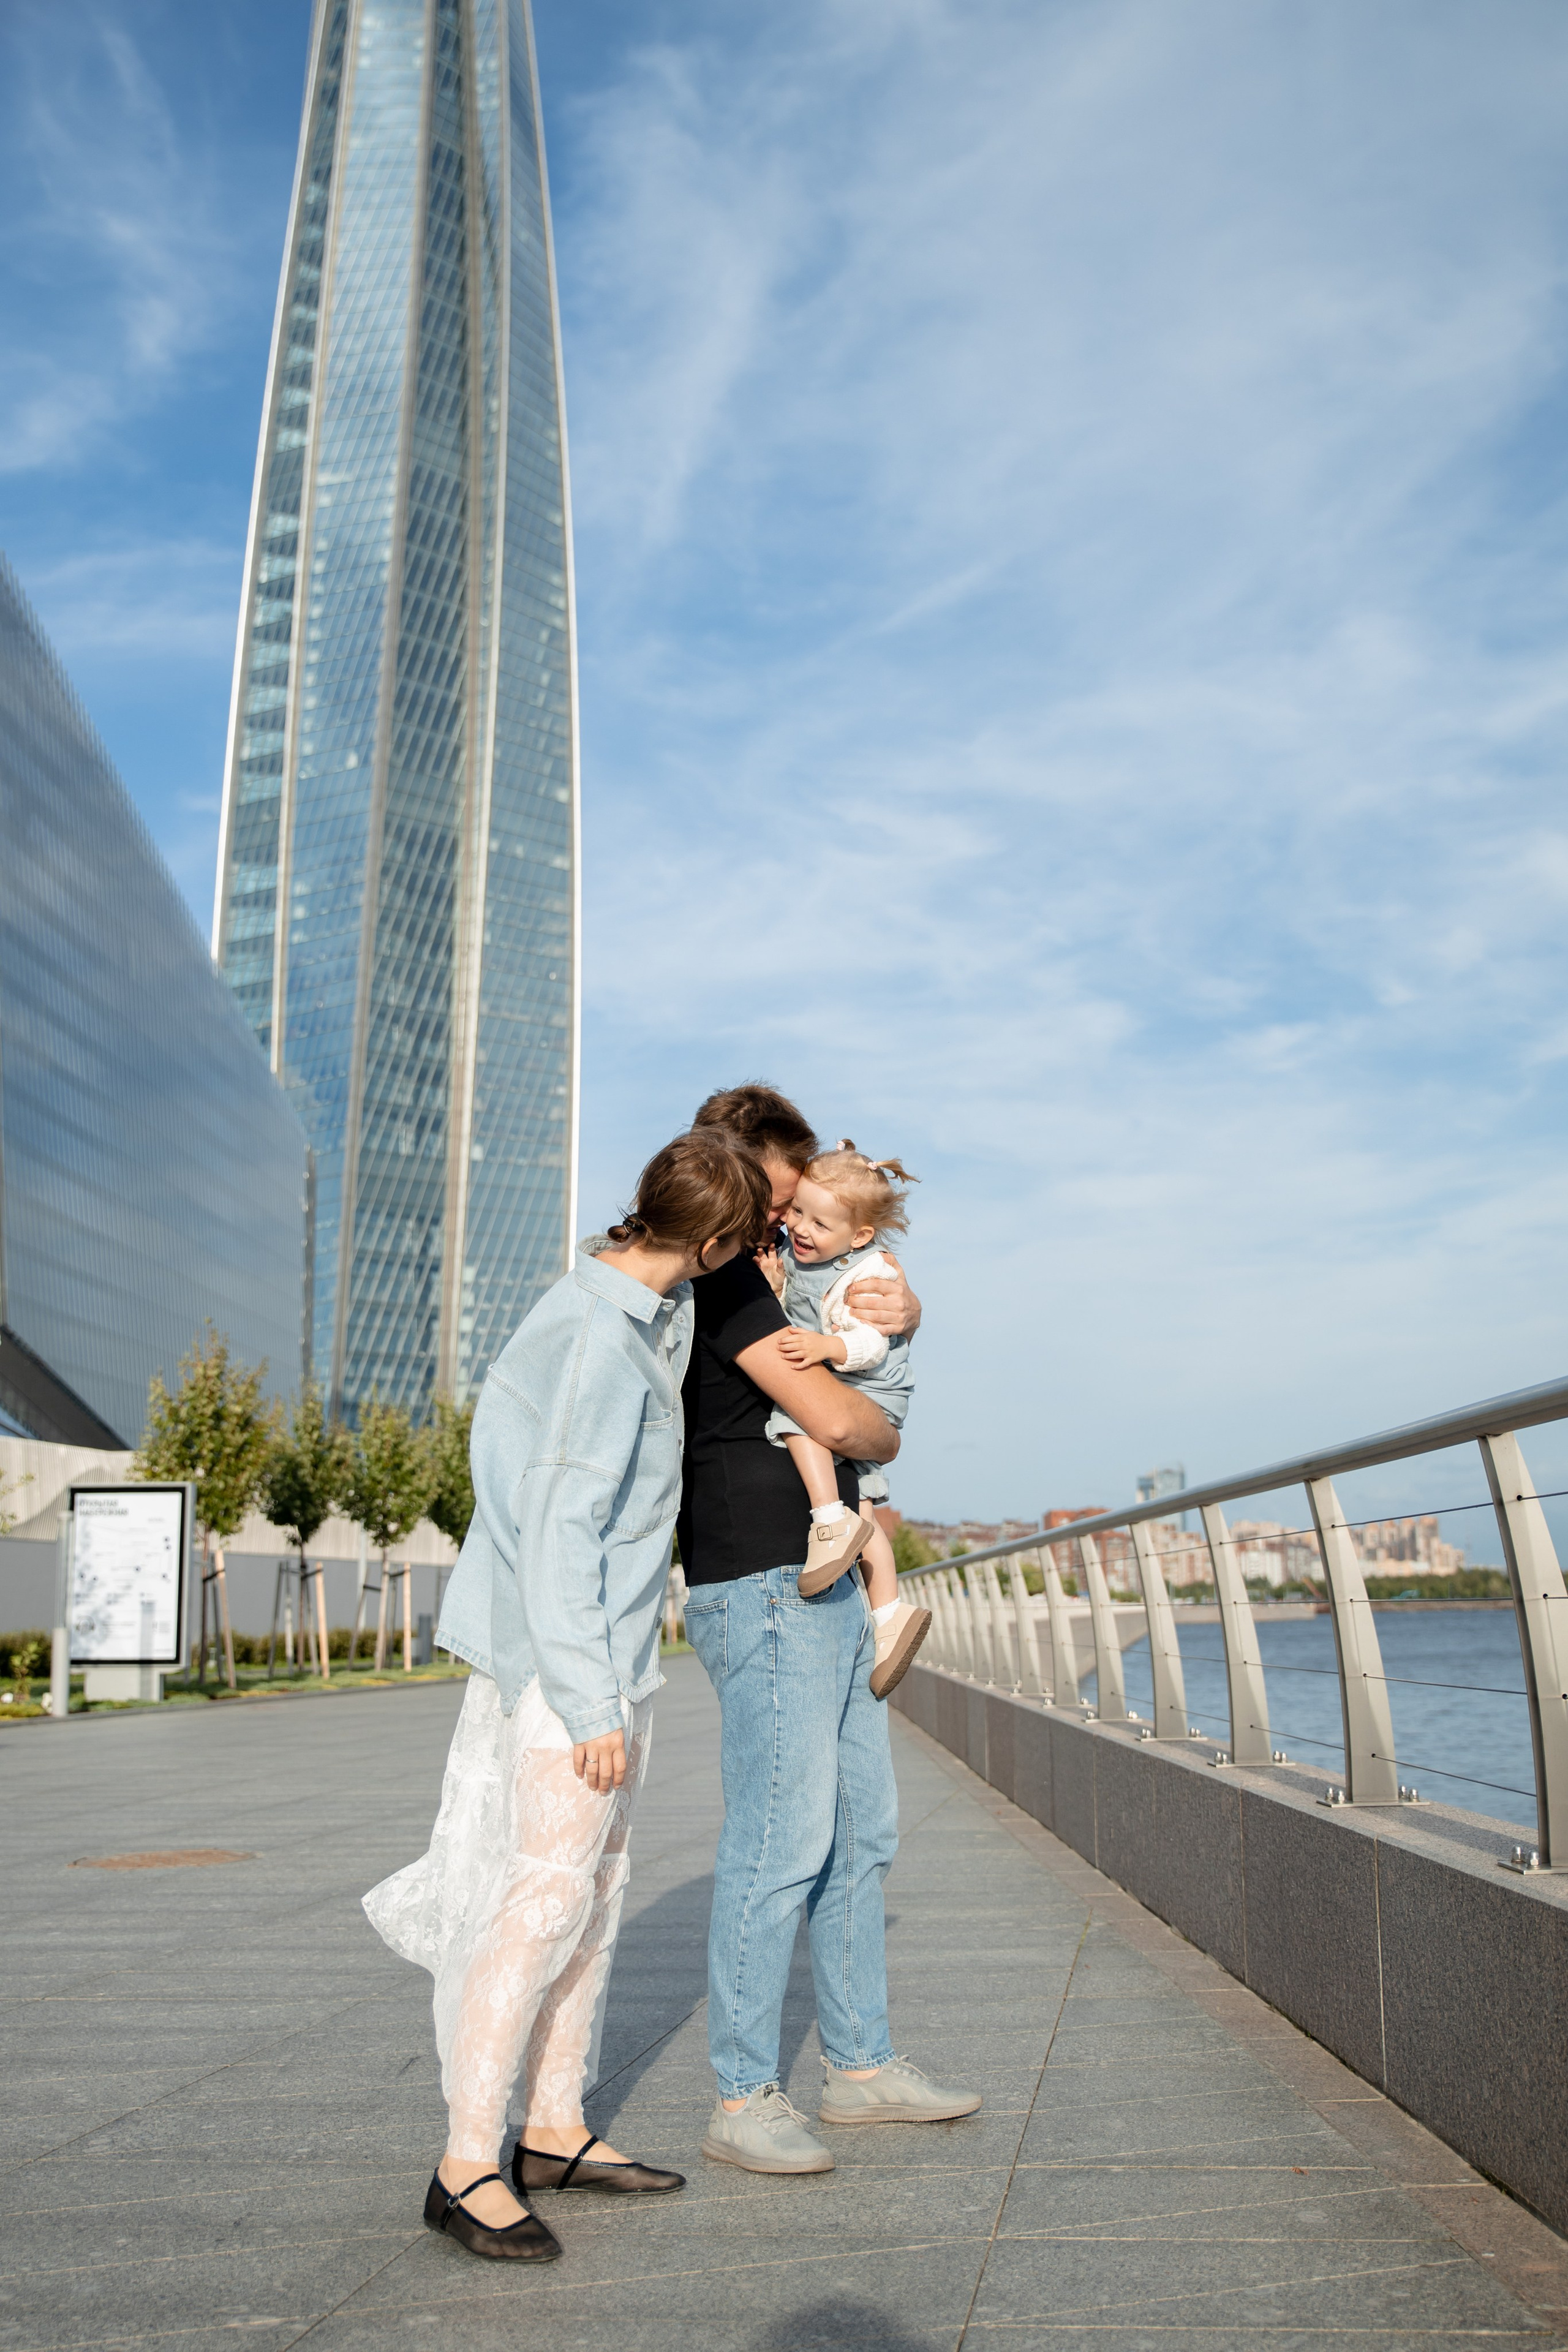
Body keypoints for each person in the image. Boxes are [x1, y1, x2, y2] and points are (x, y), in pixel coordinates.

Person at [363, 1128, 772, 2261]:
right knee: (541, 1902)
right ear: (715, 1240)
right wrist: (592, 1707)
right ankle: (464, 2164)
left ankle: (552, 2130)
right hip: (567, 1668)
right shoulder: (598, 1337)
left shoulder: (638, 1301)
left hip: (605, 1654)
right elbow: (558, 1534)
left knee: (593, 1894)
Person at [680, 1084, 981, 2176]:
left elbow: (868, 1335)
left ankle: (859, 2069)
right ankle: (742, 2095)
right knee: (781, 1838)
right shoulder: (719, 1283)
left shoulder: (789, 1278)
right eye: (776, 1195)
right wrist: (876, 1414)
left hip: (832, 1581)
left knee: (865, 1834)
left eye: (797, 1200)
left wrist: (900, 1318)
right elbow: (852, 1424)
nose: (785, 1216)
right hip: (761, 1576)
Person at [764, 1142, 931, 1699]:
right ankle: (890, 1618)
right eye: (796, 1213)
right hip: (854, 1385)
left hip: (867, 1384)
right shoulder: (802, 1257)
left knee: (793, 1412)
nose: (800, 1229)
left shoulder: (863, 1275)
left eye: (818, 1222)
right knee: (865, 1504)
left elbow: (868, 1342)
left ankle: (827, 1520)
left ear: (859, 1236)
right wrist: (778, 1286)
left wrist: (825, 1346)